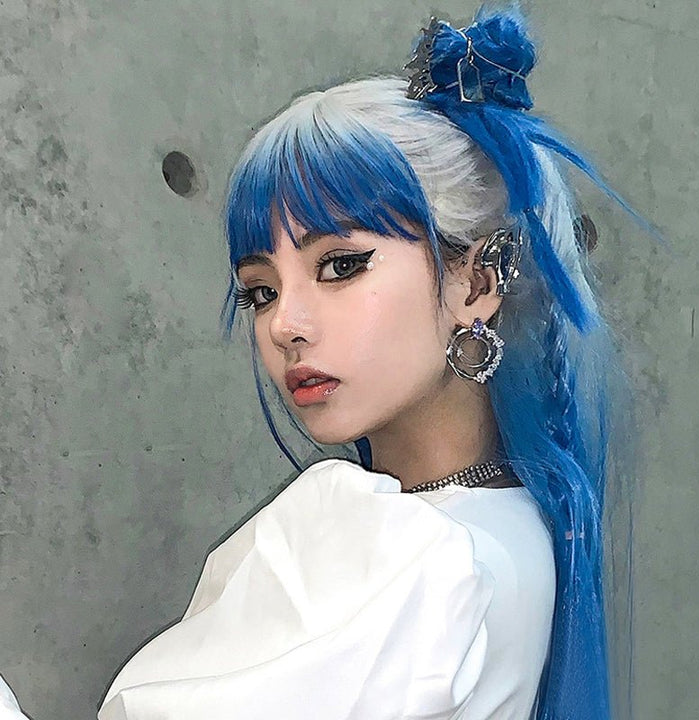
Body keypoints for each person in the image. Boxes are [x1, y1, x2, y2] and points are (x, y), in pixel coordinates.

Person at [1, 6, 640, 720]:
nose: (285, 325)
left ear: (476, 283)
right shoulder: (517, 530)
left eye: (340, 266)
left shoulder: (412, 556)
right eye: (261, 291)